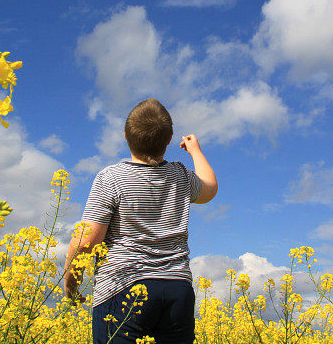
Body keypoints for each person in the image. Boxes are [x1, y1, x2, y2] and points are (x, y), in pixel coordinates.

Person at [63, 98, 218, 344]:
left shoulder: (111, 178)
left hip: (123, 288)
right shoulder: (180, 175)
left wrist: (71, 284)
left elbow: (85, 242)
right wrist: (195, 150)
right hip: (177, 290)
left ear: (126, 136)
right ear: (168, 140)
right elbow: (209, 189)